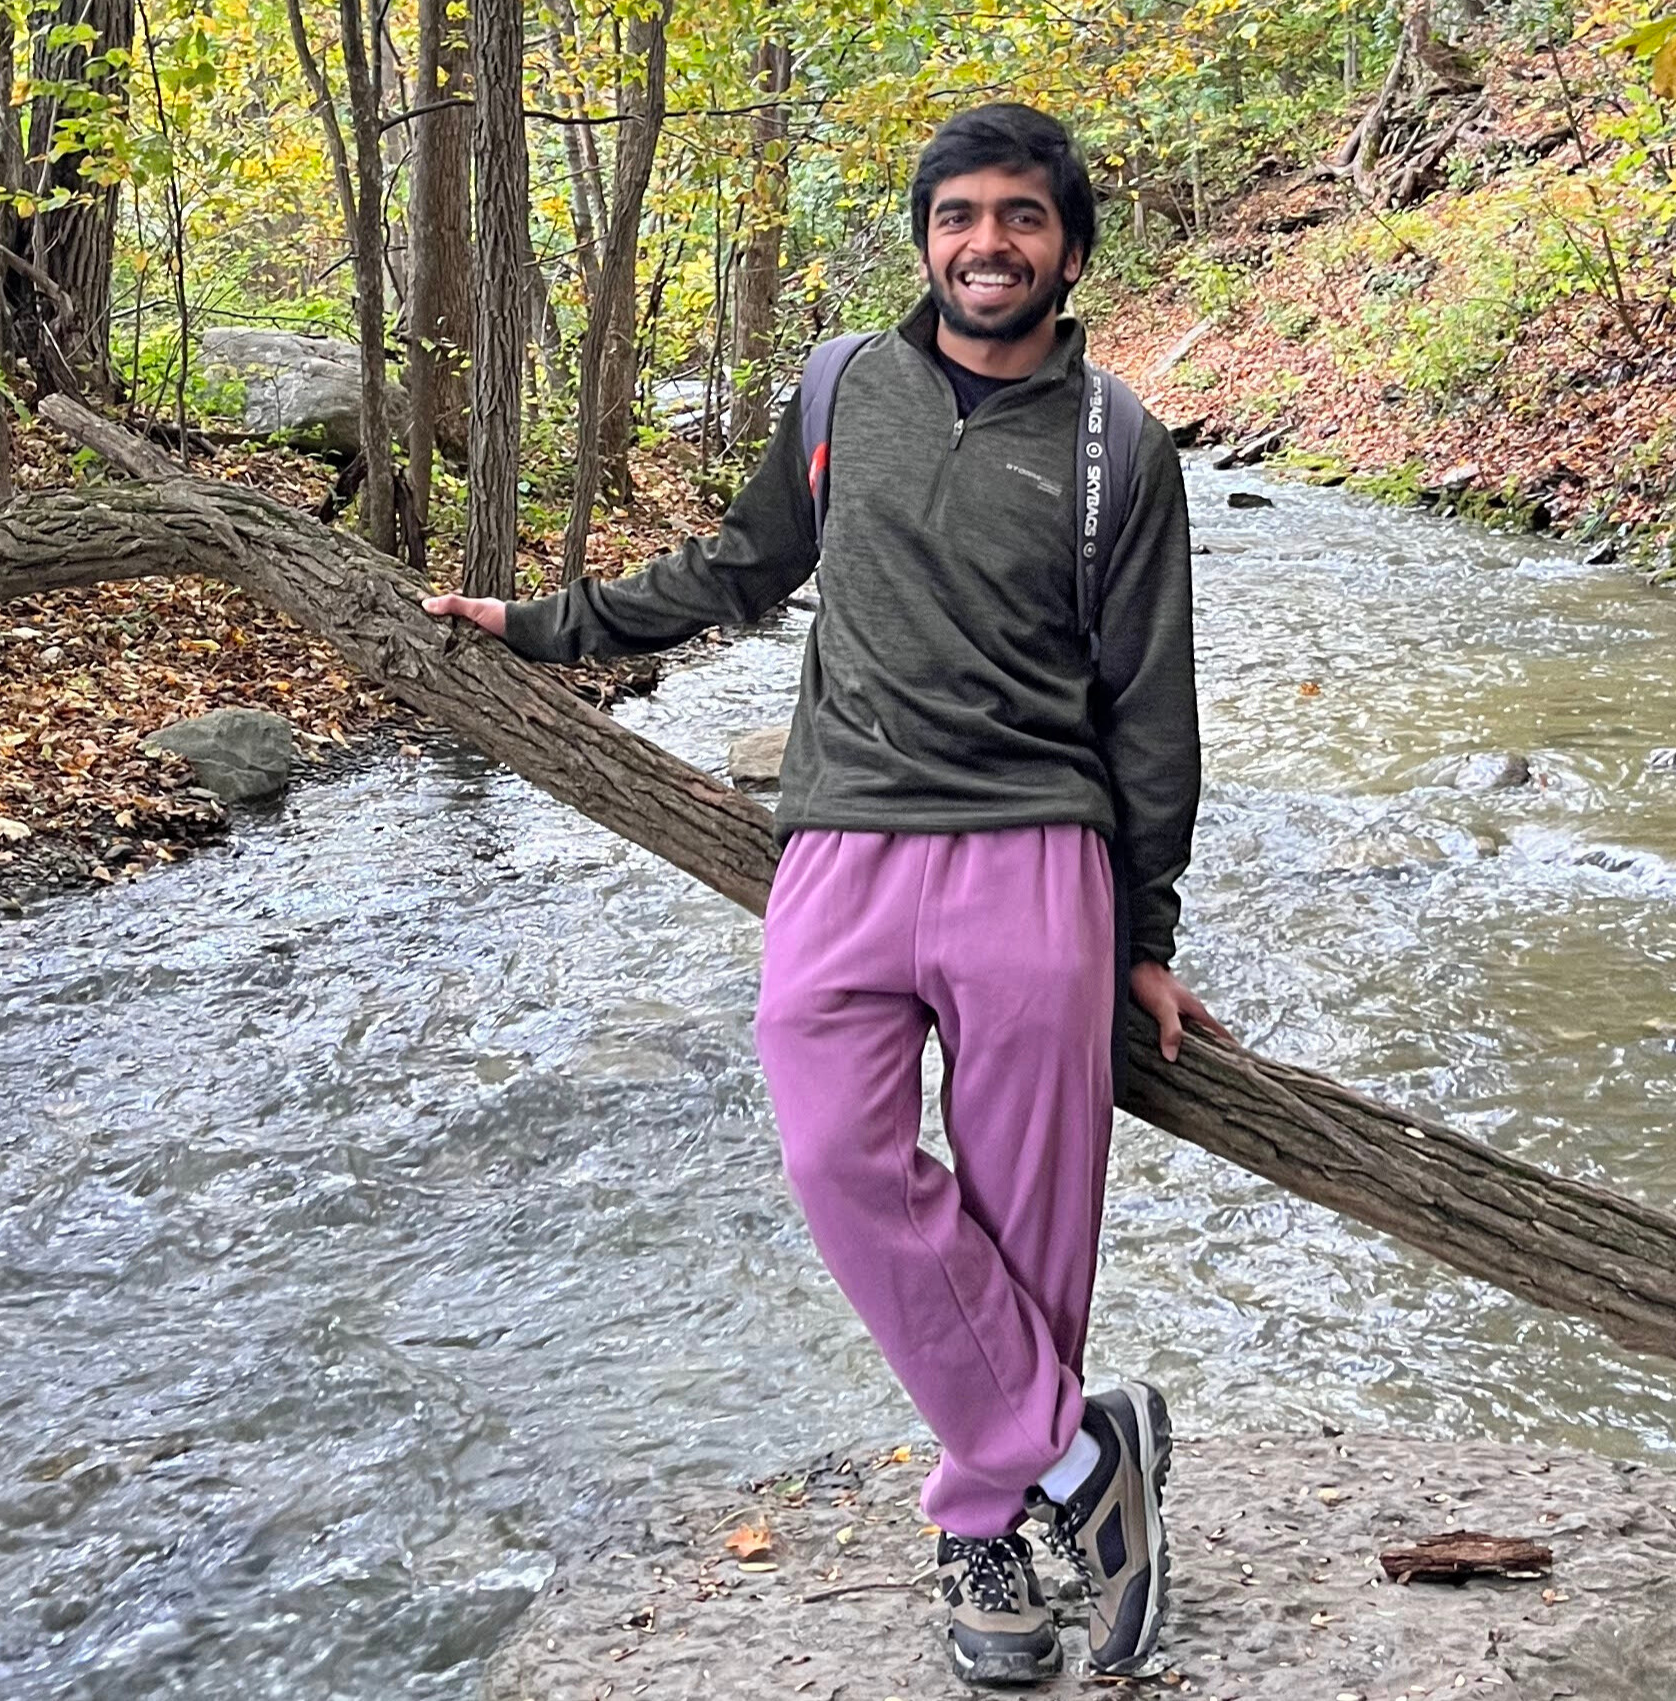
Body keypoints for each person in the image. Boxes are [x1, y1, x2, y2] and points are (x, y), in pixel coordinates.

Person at [423, 102, 1223, 1686]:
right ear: (923, 235)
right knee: (839, 1156)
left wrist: (1147, 934)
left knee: (1026, 1217)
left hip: (1037, 855)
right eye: (958, 216)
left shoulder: (1116, 444)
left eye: (1020, 219)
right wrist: (540, 625)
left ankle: (987, 1528)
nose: (986, 244)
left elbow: (1150, 702)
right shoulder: (843, 384)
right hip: (842, 840)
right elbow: (737, 566)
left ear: (1069, 246)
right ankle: (1081, 1459)